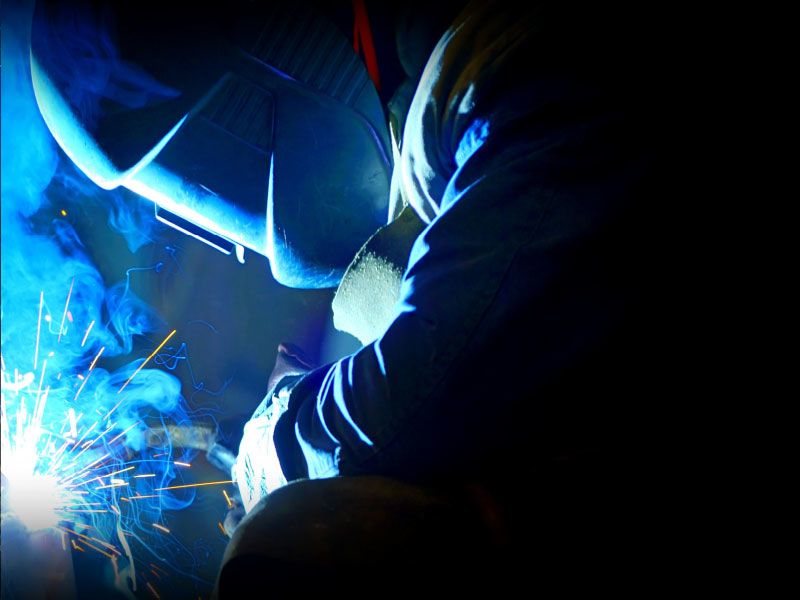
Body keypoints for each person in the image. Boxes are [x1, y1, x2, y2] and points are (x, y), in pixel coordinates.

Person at [32, 0, 675, 594]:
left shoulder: (517, 69)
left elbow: (417, 398)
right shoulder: (445, 111)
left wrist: (268, 451)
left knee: (287, 539)